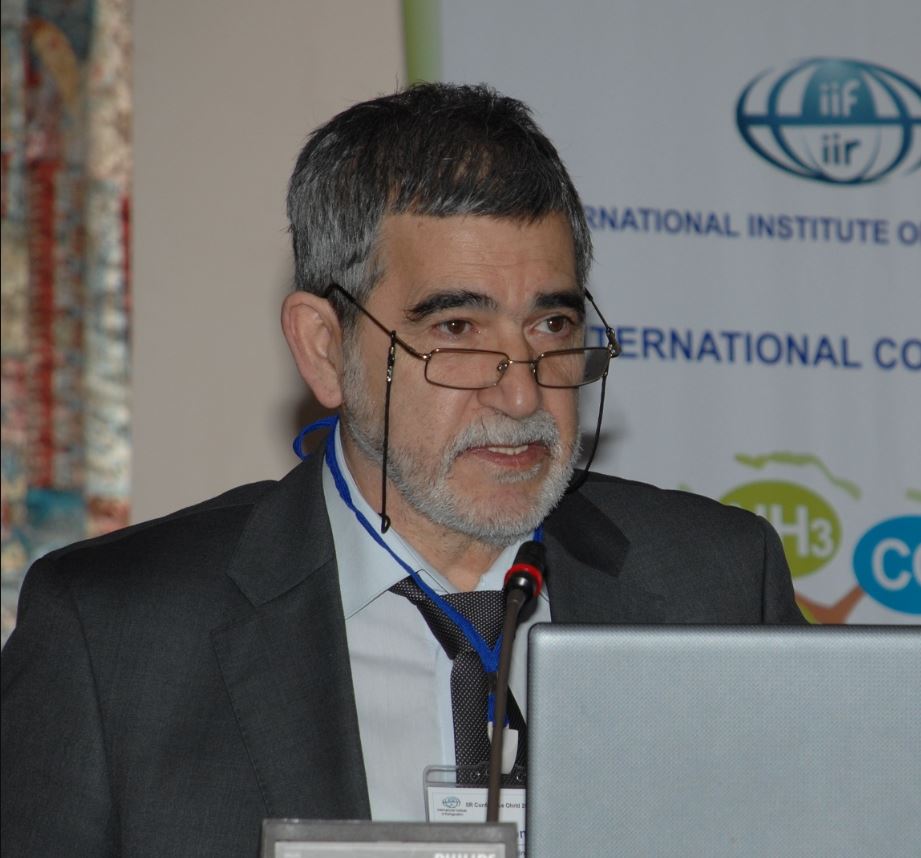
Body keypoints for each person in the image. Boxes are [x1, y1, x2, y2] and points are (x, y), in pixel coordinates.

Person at [1, 83, 805, 857]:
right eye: (456, 329)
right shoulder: (115, 635)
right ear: (325, 348)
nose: (521, 393)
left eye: (552, 325)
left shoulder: (718, 586)